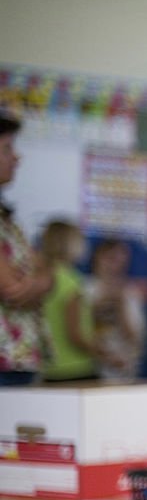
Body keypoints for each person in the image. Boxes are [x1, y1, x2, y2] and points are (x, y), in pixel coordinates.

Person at [0, 111, 51, 385]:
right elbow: (12, 288)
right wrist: (39, 282)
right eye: (7, 148)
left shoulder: (8, 218)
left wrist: (40, 281)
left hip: (17, 358)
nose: (17, 157)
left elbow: (46, 272)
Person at [39, 220, 96, 382]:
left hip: (49, 368)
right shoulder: (71, 281)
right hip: (76, 368)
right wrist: (103, 353)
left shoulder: (40, 278)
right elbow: (75, 334)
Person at [85, 239, 146, 380]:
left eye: (121, 261)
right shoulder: (85, 288)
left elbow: (134, 337)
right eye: (111, 259)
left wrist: (120, 305)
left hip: (123, 369)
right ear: (97, 258)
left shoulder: (130, 292)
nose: (115, 266)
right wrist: (99, 307)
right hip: (90, 368)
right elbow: (78, 330)